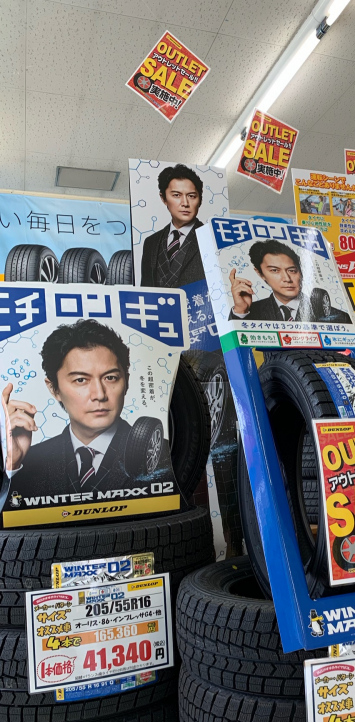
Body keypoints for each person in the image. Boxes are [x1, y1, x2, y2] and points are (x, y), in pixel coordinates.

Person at [2, 319, 168, 503]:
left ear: (126, 381)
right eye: (81, 380)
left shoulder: (161, 454)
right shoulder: (28, 460)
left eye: (110, 378)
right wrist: (14, 464)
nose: (99, 394)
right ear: (54, 389)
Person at [228, 239, 351, 323]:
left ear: (301, 272)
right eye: (275, 270)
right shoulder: (248, 313)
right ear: (260, 273)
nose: (287, 279)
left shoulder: (338, 317)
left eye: (292, 270)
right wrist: (241, 311)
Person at [140, 163, 205, 289]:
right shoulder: (151, 243)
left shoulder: (211, 238)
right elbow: (146, 289)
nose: (185, 203)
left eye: (191, 196)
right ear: (163, 198)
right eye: (176, 195)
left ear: (200, 200)